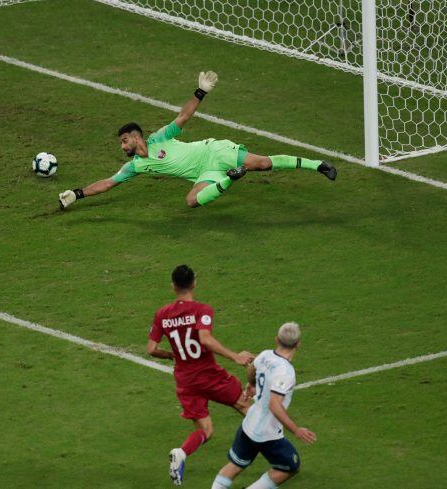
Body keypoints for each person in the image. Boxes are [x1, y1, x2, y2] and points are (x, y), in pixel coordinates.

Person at [58, 71, 337, 210]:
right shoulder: (135, 167)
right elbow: (108, 183)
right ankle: (231, 178)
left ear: (135, 137)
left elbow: (183, 117)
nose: (122, 147)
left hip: (213, 151)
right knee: (192, 200)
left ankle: (318, 165)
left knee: (263, 164)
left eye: (123, 141)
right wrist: (78, 193)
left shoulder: (159, 138)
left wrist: (201, 92)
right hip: (206, 172)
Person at [147, 264, 256, 485]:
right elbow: (205, 339)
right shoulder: (202, 310)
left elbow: (150, 349)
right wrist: (234, 356)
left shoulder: (162, 314)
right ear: (194, 283)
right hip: (209, 375)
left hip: (185, 380)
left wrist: (170, 354)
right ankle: (275, 446)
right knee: (245, 405)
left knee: (205, 429)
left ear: (173, 286)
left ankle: (181, 453)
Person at [211, 322, 317, 489]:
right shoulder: (286, 372)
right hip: (268, 434)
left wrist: (250, 384)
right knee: (290, 467)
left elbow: (253, 367)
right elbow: (275, 406)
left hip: (249, 424)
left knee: (236, 464)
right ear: (298, 344)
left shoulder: (265, 355)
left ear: (277, 339)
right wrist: (296, 430)